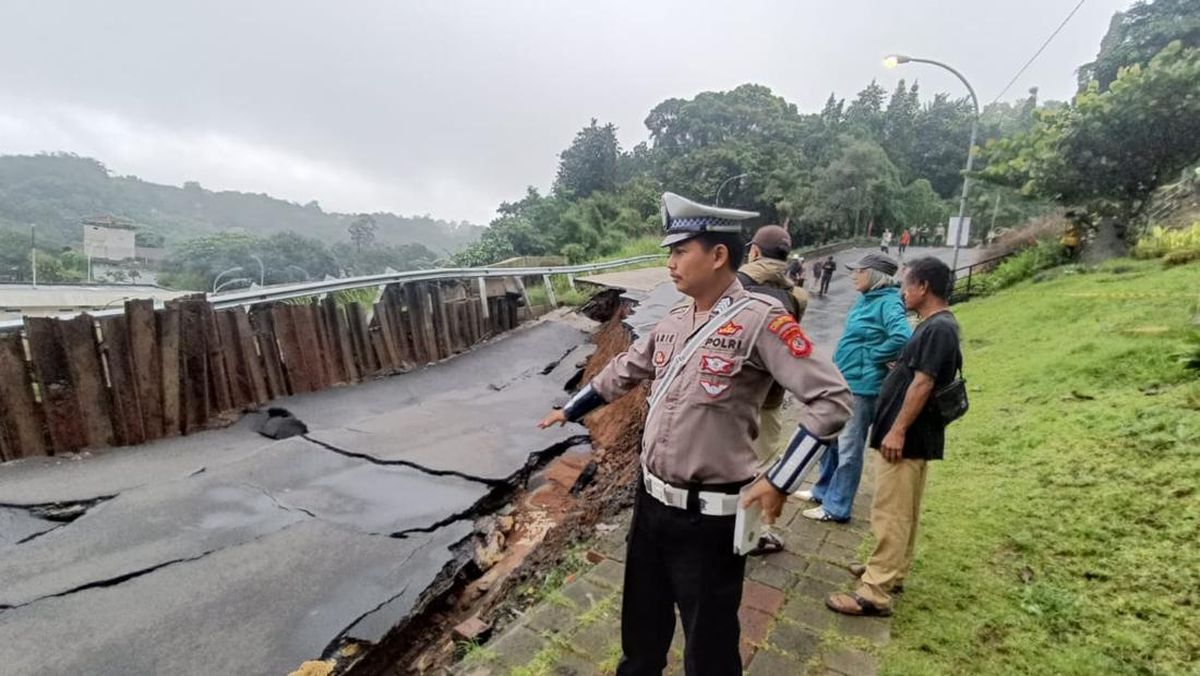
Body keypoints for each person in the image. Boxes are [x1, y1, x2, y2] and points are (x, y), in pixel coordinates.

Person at [540, 192, 852, 675]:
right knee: (640, 634)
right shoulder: (674, 321)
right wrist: (573, 408)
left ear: (718, 255)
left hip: (709, 521)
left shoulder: (762, 320)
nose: (670, 263)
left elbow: (832, 399)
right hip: (650, 506)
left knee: (708, 647)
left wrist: (778, 480)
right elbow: (625, 367)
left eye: (680, 250)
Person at [825, 256, 962, 617]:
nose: (903, 291)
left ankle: (874, 592)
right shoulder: (935, 326)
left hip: (908, 436)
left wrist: (897, 429)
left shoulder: (937, 329)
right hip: (914, 435)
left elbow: (923, 383)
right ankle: (891, 571)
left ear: (923, 288)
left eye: (907, 284)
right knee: (905, 511)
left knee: (891, 513)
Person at [799, 253, 910, 523]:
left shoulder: (887, 303)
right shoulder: (866, 299)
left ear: (873, 275)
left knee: (849, 447)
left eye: (858, 271)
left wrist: (874, 355)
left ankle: (837, 507)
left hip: (863, 387)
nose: (852, 275)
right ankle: (823, 490)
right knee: (831, 441)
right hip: (846, 381)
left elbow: (903, 335)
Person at [737, 224, 811, 553]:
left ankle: (714, 528)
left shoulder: (731, 285)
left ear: (753, 251)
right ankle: (749, 537)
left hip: (726, 395)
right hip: (769, 397)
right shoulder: (797, 296)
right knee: (760, 466)